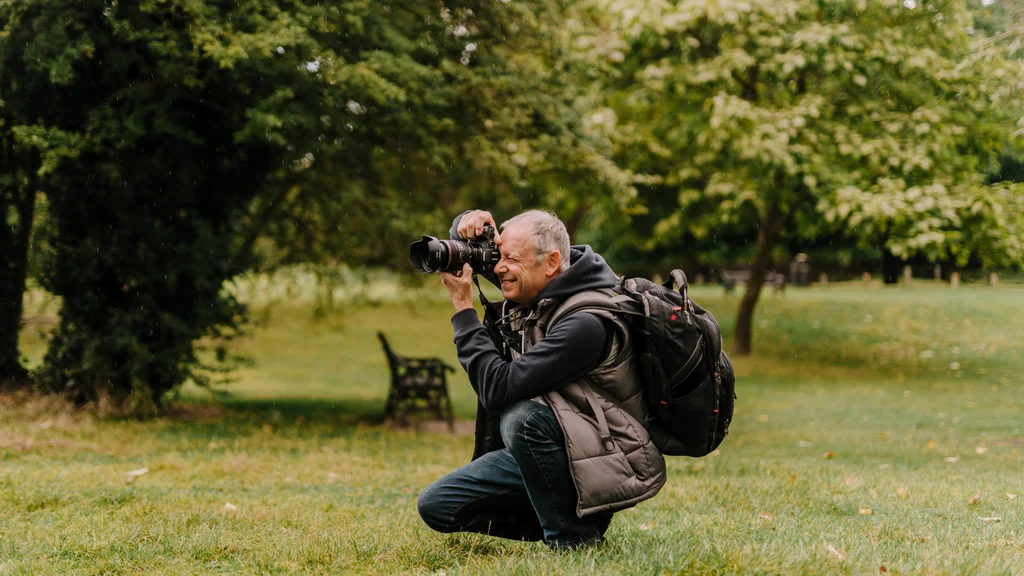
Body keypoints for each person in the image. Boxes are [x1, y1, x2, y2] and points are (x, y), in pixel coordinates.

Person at [416, 209, 666, 550]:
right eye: (497, 256)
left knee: (522, 417)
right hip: (556, 446)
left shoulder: (586, 322)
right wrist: (463, 224)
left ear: (550, 262)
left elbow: (497, 387)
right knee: (438, 506)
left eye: (510, 258)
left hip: (601, 460)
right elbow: (481, 258)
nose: (498, 267)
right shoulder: (543, 282)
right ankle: (558, 512)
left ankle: (573, 538)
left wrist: (463, 309)